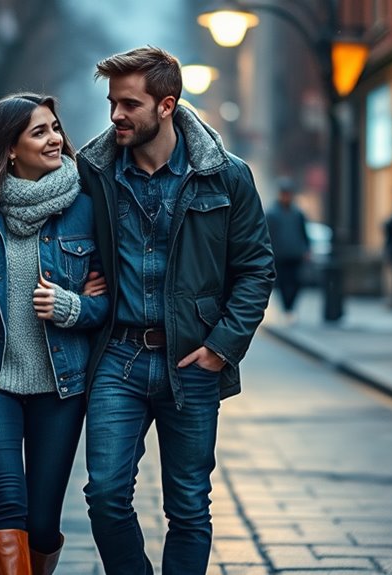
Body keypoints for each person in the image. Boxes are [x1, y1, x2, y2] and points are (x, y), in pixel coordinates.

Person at [76, 47, 275, 574]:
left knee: (188, 506)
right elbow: (32, 214)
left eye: (129, 104)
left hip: (192, 360)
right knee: (106, 495)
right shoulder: (91, 173)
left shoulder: (227, 176)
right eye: (112, 103)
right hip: (116, 358)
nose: (116, 115)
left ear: (166, 106)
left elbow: (257, 267)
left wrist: (221, 347)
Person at [0, 93, 110, 575]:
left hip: (62, 386)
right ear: (10, 148)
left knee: (44, 522)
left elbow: (109, 304)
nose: (55, 139)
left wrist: (74, 308)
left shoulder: (87, 209)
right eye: (39, 132)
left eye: (55, 128)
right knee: (7, 505)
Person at [265, 177, 310, 322]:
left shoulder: (298, 213)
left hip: (295, 254)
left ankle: (290, 308)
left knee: (296, 282)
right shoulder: (272, 214)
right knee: (283, 283)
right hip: (280, 255)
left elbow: (304, 232)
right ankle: (287, 310)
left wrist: (307, 249)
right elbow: (267, 235)